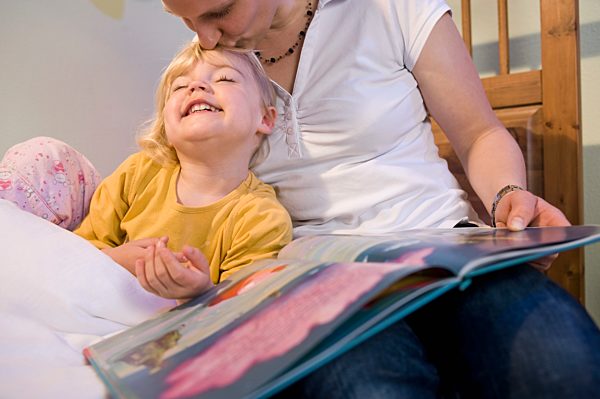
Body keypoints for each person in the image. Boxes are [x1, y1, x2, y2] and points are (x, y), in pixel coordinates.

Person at [159, 0, 600, 397]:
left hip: (443, 247)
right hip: (313, 283)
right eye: (184, 20)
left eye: (218, 13)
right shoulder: (212, 70)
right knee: (366, 391)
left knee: (563, 362)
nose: (204, 38)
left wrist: (509, 194)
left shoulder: (389, 8)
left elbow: (480, 133)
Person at [0, 42, 293, 302]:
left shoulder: (261, 217)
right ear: (166, 124)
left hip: (163, 330)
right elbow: (83, 250)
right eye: (179, 86)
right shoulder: (139, 172)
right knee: (41, 154)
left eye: (225, 78)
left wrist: (201, 292)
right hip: (102, 296)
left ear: (265, 119)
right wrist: (116, 260)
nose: (196, 87)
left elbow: (246, 307)